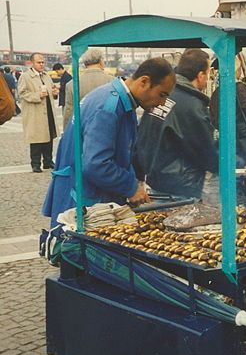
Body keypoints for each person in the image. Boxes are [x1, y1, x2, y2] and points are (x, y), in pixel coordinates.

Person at [42, 57, 176, 228]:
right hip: (84, 202)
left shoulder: (117, 98)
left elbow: (124, 151)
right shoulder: (108, 108)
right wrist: (130, 187)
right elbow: (97, 164)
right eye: (162, 94)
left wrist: (135, 180)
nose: (162, 103)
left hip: (89, 193)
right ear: (144, 81)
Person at [133, 48, 218, 200]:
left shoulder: (159, 96)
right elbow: (205, 150)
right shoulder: (192, 104)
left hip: (154, 182)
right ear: (200, 75)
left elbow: (141, 137)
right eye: (208, 73)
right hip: (182, 187)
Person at [210, 55, 246, 168]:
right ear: (236, 70)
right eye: (239, 69)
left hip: (225, 135)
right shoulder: (240, 87)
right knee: (241, 164)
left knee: (230, 165)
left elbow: (213, 117)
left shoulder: (217, 91)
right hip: (242, 135)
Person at [18, 53, 59, 172]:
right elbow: (22, 93)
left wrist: (54, 92)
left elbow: (51, 89)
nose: (41, 65)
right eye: (39, 62)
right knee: (36, 139)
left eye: (42, 62)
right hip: (34, 112)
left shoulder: (46, 76)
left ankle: (48, 161)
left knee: (49, 136)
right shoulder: (25, 76)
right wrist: (37, 95)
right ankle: (35, 163)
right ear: (32, 63)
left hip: (48, 110)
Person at [63, 48, 113, 128]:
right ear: (100, 61)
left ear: (85, 64)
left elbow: (69, 112)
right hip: (107, 128)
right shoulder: (112, 81)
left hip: (83, 128)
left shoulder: (71, 84)